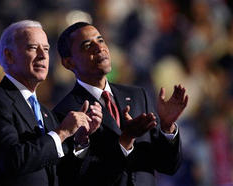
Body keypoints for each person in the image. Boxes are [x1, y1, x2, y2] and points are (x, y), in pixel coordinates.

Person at [0, 20, 102, 186]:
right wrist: (62, 133)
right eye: (32, 48)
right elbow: (12, 160)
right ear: (9, 56)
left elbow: (62, 174)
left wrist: (80, 141)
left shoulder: (45, 113)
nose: (43, 55)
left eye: (46, 49)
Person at [53, 22, 188, 186]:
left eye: (101, 40)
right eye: (87, 45)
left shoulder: (138, 96)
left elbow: (168, 166)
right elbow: (77, 179)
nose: (99, 48)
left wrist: (167, 127)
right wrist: (125, 140)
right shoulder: (65, 112)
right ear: (69, 63)